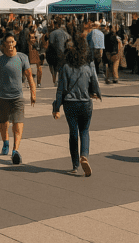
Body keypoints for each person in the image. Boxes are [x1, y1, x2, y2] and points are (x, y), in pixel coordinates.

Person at [53, 32, 101, 176]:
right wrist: (96, 93)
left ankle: (75, 165)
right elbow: (95, 82)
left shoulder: (65, 67)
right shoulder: (88, 65)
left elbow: (61, 89)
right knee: (85, 131)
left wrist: (56, 107)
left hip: (70, 104)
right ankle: (84, 155)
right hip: (86, 103)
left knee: (73, 132)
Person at [0, 31, 37, 165]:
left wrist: (33, 92)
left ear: (15, 43)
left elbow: (29, 76)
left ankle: (15, 150)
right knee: (3, 123)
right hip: (3, 97)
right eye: (7, 42)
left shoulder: (22, 58)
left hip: (18, 98)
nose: (10, 45)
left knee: (18, 123)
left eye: (12, 42)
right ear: (4, 44)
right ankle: (5, 142)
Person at [46, 19, 71, 85]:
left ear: (56, 25)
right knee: (60, 67)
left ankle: (54, 80)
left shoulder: (52, 33)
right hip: (62, 53)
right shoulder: (65, 33)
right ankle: (60, 80)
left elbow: (50, 42)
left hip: (53, 53)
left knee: (53, 67)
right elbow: (69, 40)